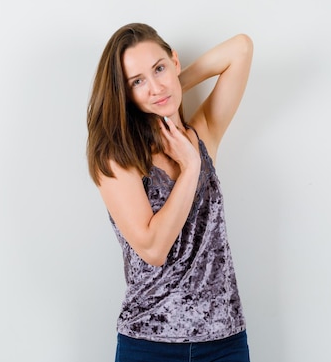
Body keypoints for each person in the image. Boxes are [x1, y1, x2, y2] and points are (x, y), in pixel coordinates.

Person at [86, 23, 254, 362]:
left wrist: (169, 89)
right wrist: (190, 168)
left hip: (225, 339)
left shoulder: (202, 133)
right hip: (150, 343)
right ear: (125, 92)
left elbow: (241, 49)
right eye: (137, 82)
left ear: (174, 62)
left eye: (159, 68)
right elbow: (153, 248)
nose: (154, 85)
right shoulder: (118, 158)